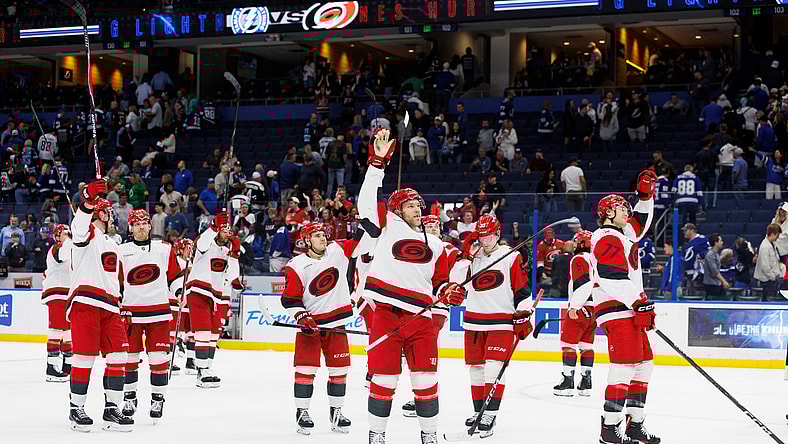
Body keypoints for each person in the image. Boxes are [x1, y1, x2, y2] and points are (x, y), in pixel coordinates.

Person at [359, 129, 463, 444]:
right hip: (386, 315)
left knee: (425, 382)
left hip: (421, 320)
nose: (417, 209)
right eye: (409, 205)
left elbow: (440, 283)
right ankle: (377, 435)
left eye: (418, 205)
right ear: (397, 210)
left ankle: (428, 436)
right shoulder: (386, 227)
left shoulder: (437, 244)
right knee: (384, 380)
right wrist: (376, 164)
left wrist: (449, 292)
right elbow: (366, 203)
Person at [591, 169, 659, 444]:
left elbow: (640, 222)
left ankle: (634, 423)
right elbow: (610, 275)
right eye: (622, 208)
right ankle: (609, 428)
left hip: (629, 308)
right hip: (617, 308)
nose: (627, 212)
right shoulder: (606, 236)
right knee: (624, 366)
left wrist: (645, 196)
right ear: (608, 212)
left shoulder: (623, 234)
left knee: (644, 366)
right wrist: (637, 301)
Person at [450, 215, 533, 437]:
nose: (485, 239)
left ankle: (490, 413)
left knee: (494, 368)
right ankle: (478, 411)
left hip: (501, 322)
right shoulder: (473, 257)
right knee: (476, 370)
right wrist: (466, 255)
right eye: (481, 235)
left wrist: (523, 312)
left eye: (489, 235)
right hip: (473, 321)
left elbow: (522, 290)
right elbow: (456, 281)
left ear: (497, 234)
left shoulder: (510, 256)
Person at [67, 183, 133, 432]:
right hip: (86, 302)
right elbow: (78, 226)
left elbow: (117, 279)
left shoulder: (113, 243)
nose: (113, 218)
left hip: (110, 306)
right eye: (109, 213)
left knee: (119, 356)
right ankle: (76, 408)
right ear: (102, 214)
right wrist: (87, 201)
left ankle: (111, 409)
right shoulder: (87, 234)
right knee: (84, 357)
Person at [281, 222, 356, 435]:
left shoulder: (337, 252)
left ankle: (336, 413)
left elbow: (362, 241)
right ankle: (302, 412)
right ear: (307, 240)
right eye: (317, 235)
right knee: (306, 370)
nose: (323, 238)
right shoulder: (296, 265)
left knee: (339, 370)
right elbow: (289, 299)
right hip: (310, 327)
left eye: (324, 234)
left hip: (336, 326)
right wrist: (302, 316)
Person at [119, 209, 182, 422]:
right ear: (130, 228)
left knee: (158, 358)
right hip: (131, 312)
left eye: (144, 223)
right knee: (129, 358)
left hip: (158, 311)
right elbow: (116, 280)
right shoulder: (121, 251)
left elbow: (174, 276)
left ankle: (158, 399)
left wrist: (179, 292)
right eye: (136, 224)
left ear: (150, 225)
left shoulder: (164, 248)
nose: (141, 227)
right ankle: (129, 398)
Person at [185, 212, 239, 388]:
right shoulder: (206, 245)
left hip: (216, 296)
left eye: (229, 230)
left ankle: (207, 368)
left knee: (214, 333)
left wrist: (235, 255)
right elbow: (201, 243)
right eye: (224, 229)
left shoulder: (226, 251)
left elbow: (232, 276)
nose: (227, 233)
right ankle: (201, 371)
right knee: (203, 331)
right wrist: (213, 226)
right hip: (199, 290)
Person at [553, 230, 596, 397]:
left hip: (581, 306)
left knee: (568, 344)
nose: (572, 244)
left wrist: (575, 306)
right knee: (586, 346)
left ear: (581, 244)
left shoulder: (579, 259)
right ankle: (586, 383)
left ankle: (567, 382)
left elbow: (583, 283)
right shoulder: (596, 260)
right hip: (594, 309)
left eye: (575, 241)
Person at [41, 224, 73, 383]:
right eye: (65, 234)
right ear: (57, 236)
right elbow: (63, 255)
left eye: (69, 233)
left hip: (67, 294)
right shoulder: (57, 248)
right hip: (57, 294)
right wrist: (73, 240)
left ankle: (68, 366)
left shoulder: (70, 249)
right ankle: (51, 367)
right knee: (56, 329)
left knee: (68, 331)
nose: (68, 236)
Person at [754, 223, 782, 299]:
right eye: (777, 235)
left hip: (771, 280)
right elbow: (765, 265)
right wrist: (772, 277)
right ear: (772, 234)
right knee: (769, 299)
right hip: (768, 281)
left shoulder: (772, 244)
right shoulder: (765, 246)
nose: (778, 237)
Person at [682, 223, 710, 296]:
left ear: (692, 230)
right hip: (689, 274)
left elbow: (710, 250)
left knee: (698, 294)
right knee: (690, 295)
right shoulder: (688, 243)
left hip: (698, 274)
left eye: (685, 230)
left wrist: (701, 255)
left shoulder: (702, 239)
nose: (684, 232)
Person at [702, 233, 729, 298]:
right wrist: (724, 281)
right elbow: (714, 271)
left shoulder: (716, 254)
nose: (722, 242)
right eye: (721, 241)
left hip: (716, 283)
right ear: (716, 243)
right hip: (711, 285)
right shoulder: (710, 255)